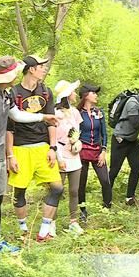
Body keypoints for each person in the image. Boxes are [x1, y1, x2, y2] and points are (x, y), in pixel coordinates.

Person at [0, 56, 57, 252]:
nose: (16, 76)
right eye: (14, 72)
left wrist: (43, 116)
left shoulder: (5, 94)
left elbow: (16, 115)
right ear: (8, 74)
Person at [6, 54, 64, 243]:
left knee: (56, 188)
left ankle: (44, 230)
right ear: (31, 69)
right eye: (41, 66)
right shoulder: (13, 93)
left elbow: (51, 122)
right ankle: (23, 229)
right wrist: (10, 155)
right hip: (21, 147)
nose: (44, 69)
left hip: (42, 147)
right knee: (20, 191)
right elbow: (9, 128)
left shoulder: (46, 91)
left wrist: (53, 147)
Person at [54, 79, 85, 236]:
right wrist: (58, 158)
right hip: (61, 154)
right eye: (72, 92)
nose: (75, 94)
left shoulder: (75, 112)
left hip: (74, 155)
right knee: (56, 190)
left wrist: (76, 143)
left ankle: (74, 222)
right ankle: (50, 223)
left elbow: (77, 131)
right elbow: (53, 138)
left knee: (74, 190)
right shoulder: (56, 114)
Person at [77, 84, 111, 223]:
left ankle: (107, 206)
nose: (96, 95)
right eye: (94, 93)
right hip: (81, 151)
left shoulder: (99, 112)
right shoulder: (77, 113)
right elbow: (72, 133)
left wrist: (103, 150)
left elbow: (104, 133)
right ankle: (82, 210)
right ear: (86, 95)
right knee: (81, 183)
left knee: (105, 180)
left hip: (97, 150)